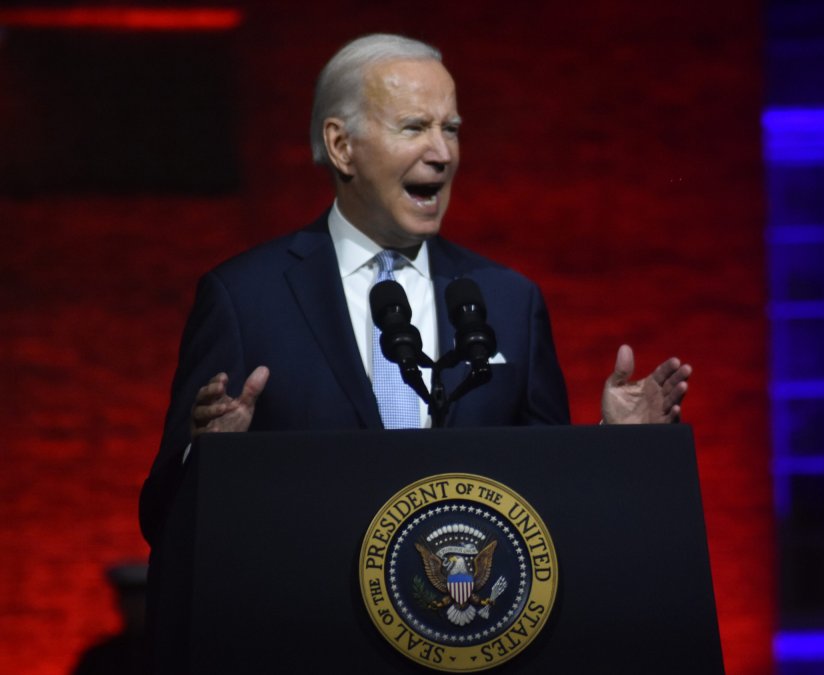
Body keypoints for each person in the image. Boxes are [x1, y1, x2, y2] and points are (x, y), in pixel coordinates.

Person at [138, 34, 691, 544]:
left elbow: (545, 500)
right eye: (414, 127)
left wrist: (615, 443)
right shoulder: (244, 299)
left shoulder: (508, 301)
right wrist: (205, 457)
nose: (443, 153)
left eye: (450, 129)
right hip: (309, 637)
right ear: (341, 146)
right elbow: (161, 518)